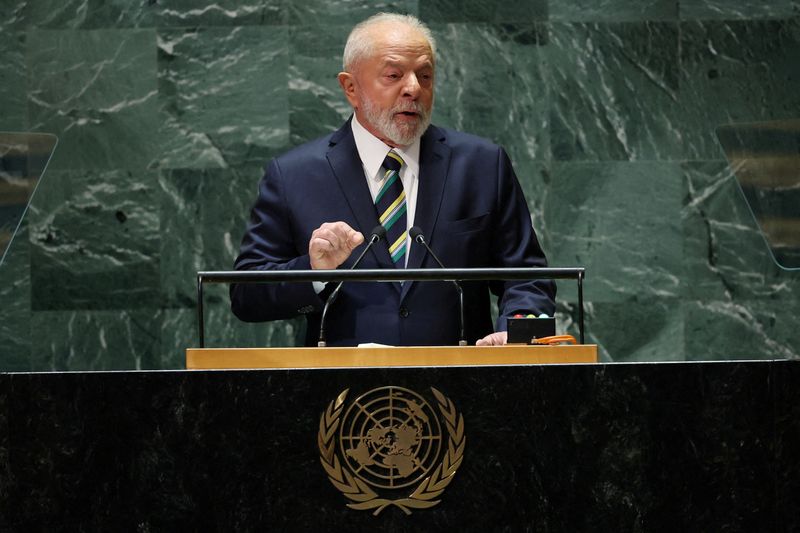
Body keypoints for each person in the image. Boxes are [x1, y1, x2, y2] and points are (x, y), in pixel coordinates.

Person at [230, 13, 555, 347]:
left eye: (425, 76)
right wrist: (313, 270)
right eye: (394, 75)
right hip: (341, 392)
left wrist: (517, 334)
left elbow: (528, 278)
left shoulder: (482, 165)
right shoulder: (293, 175)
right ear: (351, 88)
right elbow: (246, 295)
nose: (413, 88)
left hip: (463, 387)